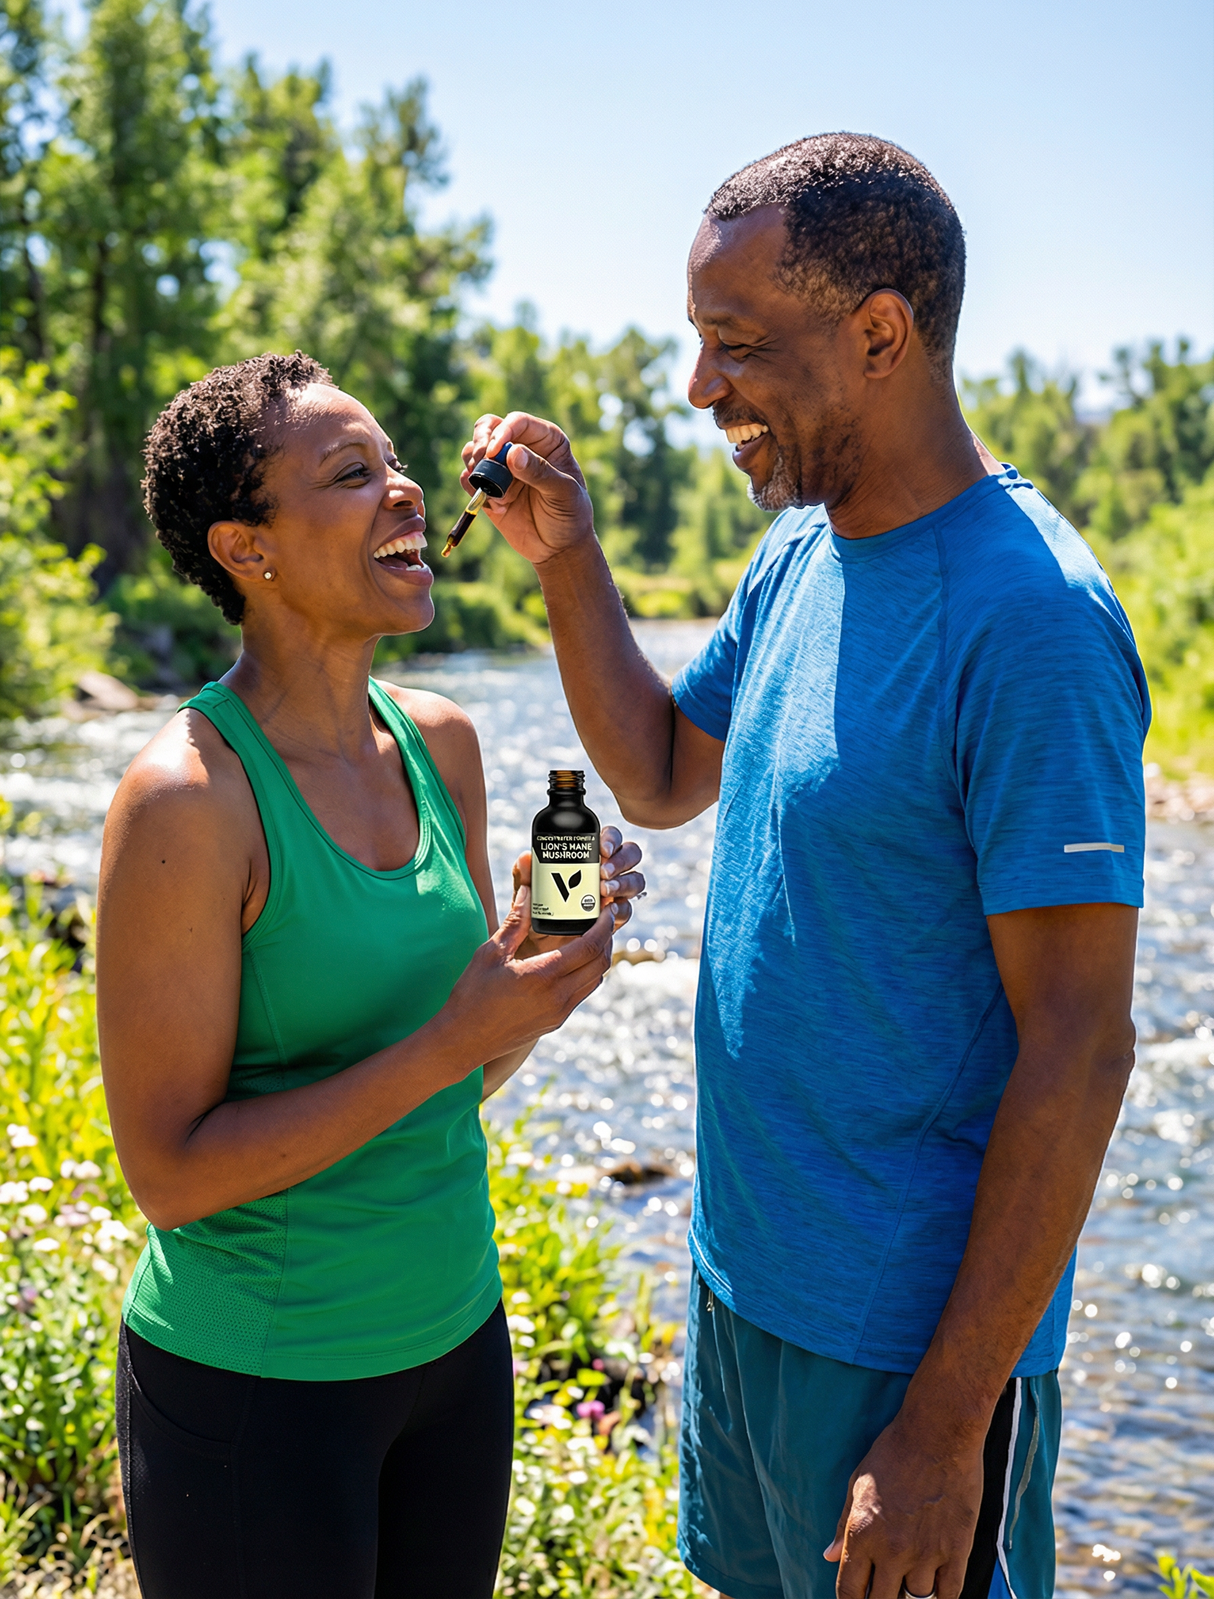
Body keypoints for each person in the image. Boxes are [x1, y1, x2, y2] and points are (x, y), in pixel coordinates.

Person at [458, 134, 1148, 1599]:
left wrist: (946, 1428)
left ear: (879, 333)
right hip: (746, 1283)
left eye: (734, 345)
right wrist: (567, 553)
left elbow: (1081, 1046)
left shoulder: (1032, 623)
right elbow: (654, 773)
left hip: (901, 1348)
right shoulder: (803, 555)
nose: (700, 389)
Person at [95, 351, 644, 1599]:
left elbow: (449, 1079)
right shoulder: (187, 798)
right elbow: (169, 1175)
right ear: (247, 548)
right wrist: (449, 1041)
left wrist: (535, 989)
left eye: (398, 464)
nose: (406, 492)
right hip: (257, 1391)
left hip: (455, 1347)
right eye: (353, 475)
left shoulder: (439, 742)